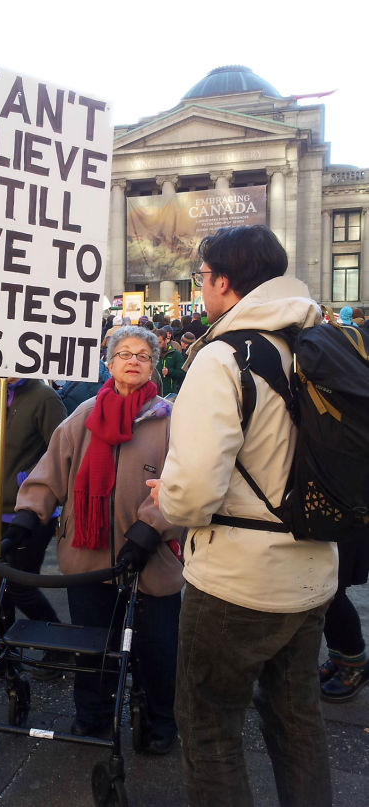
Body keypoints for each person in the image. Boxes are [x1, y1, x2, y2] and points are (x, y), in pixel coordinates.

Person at [148, 225, 338, 806]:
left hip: (237, 582)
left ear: (223, 282)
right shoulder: (314, 345)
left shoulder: (223, 356)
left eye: (202, 278)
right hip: (313, 571)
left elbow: (195, 492)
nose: (200, 288)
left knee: (208, 725)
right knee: (297, 721)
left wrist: (166, 498)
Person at [6, 327, 184, 752]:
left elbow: (184, 480)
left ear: (154, 364)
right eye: (124, 353)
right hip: (87, 557)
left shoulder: (169, 418)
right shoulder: (84, 414)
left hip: (150, 559)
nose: (133, 361)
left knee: (156, 648)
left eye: (143, 355)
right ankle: (93, 716)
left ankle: (160, 723)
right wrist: (28, 515)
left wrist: (150, 526)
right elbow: (51, 471)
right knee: (92, 646)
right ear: (108, 362)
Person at [0, 378, 67, 677]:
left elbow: (63, 451)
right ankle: (3, 649)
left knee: (19, 586)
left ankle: (59, 648)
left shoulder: (45, 398)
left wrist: (27, 480)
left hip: (26, 512)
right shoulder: (1, 393)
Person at [319, 533, 369, 701]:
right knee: (323, 591)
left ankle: (355, 663)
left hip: (344, 517)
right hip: (326, 519)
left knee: (330, 592)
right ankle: (339, 658)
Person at [155, 328, 185, 395]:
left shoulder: (176, 354)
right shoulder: (152, 355)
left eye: (160, 342)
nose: (157, 345)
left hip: (170, 394)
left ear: (166, 340)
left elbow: (182, 373)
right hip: (155, 394)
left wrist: (169, 372)